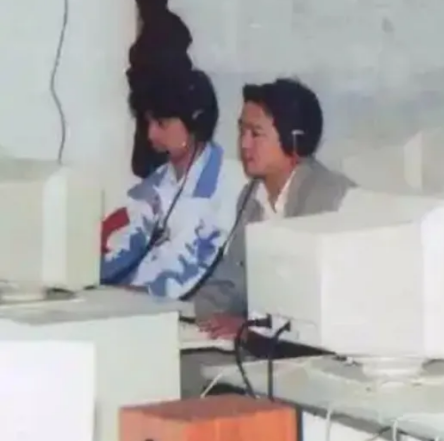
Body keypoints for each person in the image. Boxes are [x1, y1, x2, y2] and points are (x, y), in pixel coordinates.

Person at [194, 78, 355, 340]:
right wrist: (194, 317)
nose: (244, 144)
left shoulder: (329, 197)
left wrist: (251, 329)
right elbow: (230, 282)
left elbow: (314, 300)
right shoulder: (251, 198)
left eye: (255, 134)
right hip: (265, 346)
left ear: (295, 141)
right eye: (242, 132)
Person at [101, 69, 243, 299]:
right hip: (136, 303)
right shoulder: (154, 186)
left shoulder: (231, 185)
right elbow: (124, 249)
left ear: (196, 122)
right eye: (148, 122)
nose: (151, 134)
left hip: (182, 310)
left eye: (161, 123)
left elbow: (197, 269)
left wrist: (136, 295)